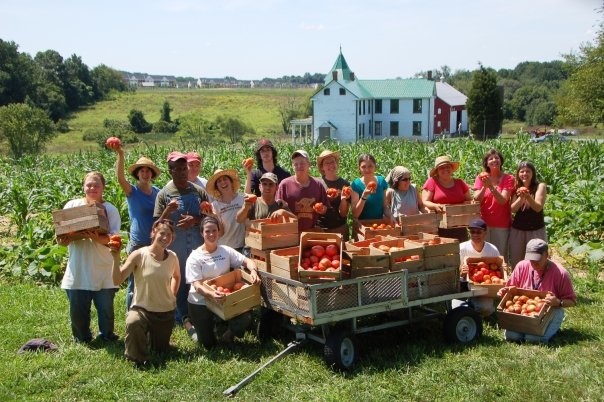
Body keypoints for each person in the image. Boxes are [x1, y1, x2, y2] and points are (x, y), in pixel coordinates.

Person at [57, 171, 121, 343]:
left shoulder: (110, 209)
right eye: (89, 185)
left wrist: (94, 236)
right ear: (83, 187)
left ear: (103, 188)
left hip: (103, 267)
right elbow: (62, 241)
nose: (92, 188)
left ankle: (107, 336)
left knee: (106, 310)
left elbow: (112, 240)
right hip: (78, 268)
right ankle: (82, 338)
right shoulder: (72, 205)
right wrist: (69, 236)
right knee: (78, 311)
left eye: (96, 185)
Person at [154, 151, 209, 339]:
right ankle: (179, 316)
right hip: (174, 245)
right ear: (170, 171)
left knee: (196, 278)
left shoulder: (198, 191)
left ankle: (198, 313)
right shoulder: (164, 194)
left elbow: (209, 218)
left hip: (196, 243)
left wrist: (194, 220)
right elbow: (156, 225)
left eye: (184, 168)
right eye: (177, 169)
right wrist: (168, 211)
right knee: (176, 278)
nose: (182, 172)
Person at [110, 219, 180, 368]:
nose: (165, 238)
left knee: (160, 349)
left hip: (165, 311)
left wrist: (172, 295)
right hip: (142, 308)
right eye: (162, 233)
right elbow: (117, 280)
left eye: (169, 235)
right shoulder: (139, 255)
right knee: (133, 321)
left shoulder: (172, 257)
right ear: (153, 233)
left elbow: (177, 276)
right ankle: (137, 359)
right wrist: (115, 257)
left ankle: (150, 337)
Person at [186, 216, 260, 348]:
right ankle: (189, 326)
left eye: (214, 230)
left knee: (245, 316)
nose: (211, 234)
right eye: (207, 231)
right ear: (201, 233)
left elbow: (247, 261)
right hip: (201, 301)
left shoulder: (225, 251)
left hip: (222, 299)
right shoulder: (195, 257)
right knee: (206, 344)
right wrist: (211, 294)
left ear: (219, 232)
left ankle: (228, 335)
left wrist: (253, 271)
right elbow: (197, 286)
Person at [111, 146, 161, 311]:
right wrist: (120, 154)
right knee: (134, 283)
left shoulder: (158, 193)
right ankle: (130, 315)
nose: (145, 174)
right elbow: (120, 179)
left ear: (152, 174)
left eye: (148, 171)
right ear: (137, 174)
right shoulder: (132, 192)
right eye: (142, 171)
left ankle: (149, 312)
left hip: (154, 243)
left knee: (152, 280)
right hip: (138, 243)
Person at [498, 239, 576, 343]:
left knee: (533, 339)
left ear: (547, 255)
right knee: (512, 337)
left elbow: (572, 301)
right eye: (531, 259)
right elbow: (511, 291)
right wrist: (504, 294)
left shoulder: (560, 273)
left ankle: (553, 324)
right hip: (523, 313)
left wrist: (558, 302)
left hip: (548, 312)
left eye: (537, 259)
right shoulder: (522, 266)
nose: (534, 263)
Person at [455, 218, 502, 316]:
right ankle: (467, 305)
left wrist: (503, 269)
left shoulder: (492, 249)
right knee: (456, 310)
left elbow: (498, 270)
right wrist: (461, 272)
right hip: (465, 286)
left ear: (485, 233)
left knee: (485, 309)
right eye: (472, 232)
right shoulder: (462, 248)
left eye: (478, 232)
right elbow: (454, 271)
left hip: (484, 289)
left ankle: (472, 306)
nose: (475, 235)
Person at [473, 149, 514, 260]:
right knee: (483, 255)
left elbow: (503, 200)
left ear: (501, 161)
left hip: (501, 224)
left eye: (497, 158)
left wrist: (491, 186)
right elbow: (476, 199)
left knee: (499, 256)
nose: (494, 160)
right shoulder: (481, 178)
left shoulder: (508, 178)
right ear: (486, 163)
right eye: (490, 159)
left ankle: (501, 277)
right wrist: (484, 186)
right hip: (484, 224)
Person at [276, 150, 330, 232]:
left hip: (311, 232)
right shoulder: (284, 184)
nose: (299, 166)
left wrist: (322, 209)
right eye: (296, 164)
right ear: (292, 166)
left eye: (302, 163)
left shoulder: (318, 185)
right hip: (289, 232)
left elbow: (325, 207)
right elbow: (278, 208)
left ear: (309, 164)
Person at [422, 155, 472, 242]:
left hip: (459, 225)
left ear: (452, 169)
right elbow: (425, 201)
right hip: (440, 224)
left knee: (461, 250)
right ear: (437, 171)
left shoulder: (460, 183)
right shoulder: (432, 182)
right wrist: (435, 205)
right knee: (444, 251)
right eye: (441, 168)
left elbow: (469, 200)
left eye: (448, 167)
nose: (445, 169)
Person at [509, 161, 547, 269]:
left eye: (528, 171)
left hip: (535, 230)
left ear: (533, 173)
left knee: (535, 260)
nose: (524, 174)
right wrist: (521, 198)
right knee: (517, 260)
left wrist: (528, 196)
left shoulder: (540, 186)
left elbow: (538, 207)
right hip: (518, 230)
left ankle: (534, 283)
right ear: (518, 174)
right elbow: (513, 209)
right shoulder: (516, 187)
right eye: (522, 171)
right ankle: (518, 282)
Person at [206, 168, 246, 252]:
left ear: (231, 182)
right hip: (225, 248)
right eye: (219, 181)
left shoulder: (242, 199)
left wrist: (248, 173)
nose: (223, 182)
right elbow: (220, 233)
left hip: (243, 246)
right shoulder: (214, 206)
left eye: (225, 179)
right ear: (217, 187)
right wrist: (215, 216)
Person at [316, 150, 351, 241]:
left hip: (340, 228)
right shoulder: (317, 183)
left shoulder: (345, 184)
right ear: (322, 167)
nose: (331, 165)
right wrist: (322, 206)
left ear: (337, 164)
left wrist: (343, 199)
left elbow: (343, 214)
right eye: (327, 163)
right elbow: (313, 206)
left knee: (341, 254)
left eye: (333, 161)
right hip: (321, 230)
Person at [350, 154, 391, 221]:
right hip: (363, 226)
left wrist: (391, 216)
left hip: (378, 225)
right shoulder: (356, 184)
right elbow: (355, 214)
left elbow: (385, 206)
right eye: (363, 167)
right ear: (359, 168)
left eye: (370, 166)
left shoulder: (381, 181)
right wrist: (364, 196)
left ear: (375, 166)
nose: (367, 169)